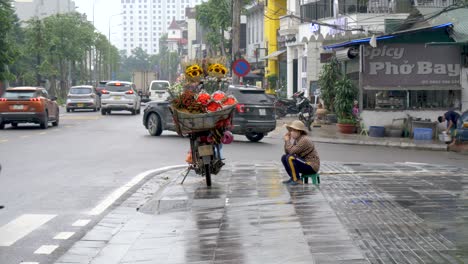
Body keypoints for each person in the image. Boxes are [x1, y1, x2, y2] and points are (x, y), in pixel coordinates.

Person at [281, 120, 320, 185]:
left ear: (299, 131)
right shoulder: (297, 140)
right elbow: (287, 152)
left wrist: (287, 141)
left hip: (312, 165)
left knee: (290, 158)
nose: (291, 132)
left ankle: (297, 180)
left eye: (293, 130)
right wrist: (286, 141)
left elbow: (291, 151)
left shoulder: (304, 140)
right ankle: (293, 178)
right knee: (284, 157)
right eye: (291, 130)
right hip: (304, 162)